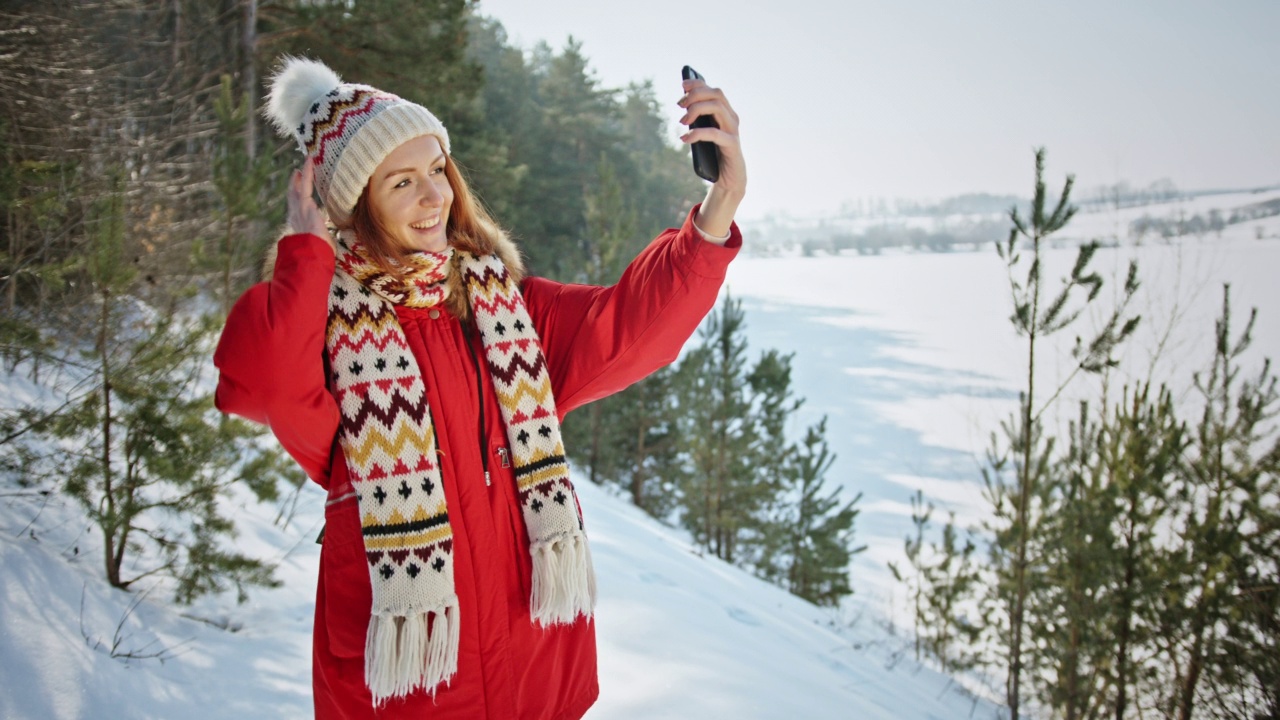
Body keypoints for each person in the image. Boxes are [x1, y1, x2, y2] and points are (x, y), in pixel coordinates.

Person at [213, 56, 745, 720]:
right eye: (402, 182)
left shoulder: (505, 310)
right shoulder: (324, 339)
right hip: (419, 698)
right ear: (352, 208)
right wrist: (303, 256)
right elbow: (258, 382)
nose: (434, 197)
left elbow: (633, 331)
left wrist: (716, 213)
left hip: (535, 679)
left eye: (437, 169)